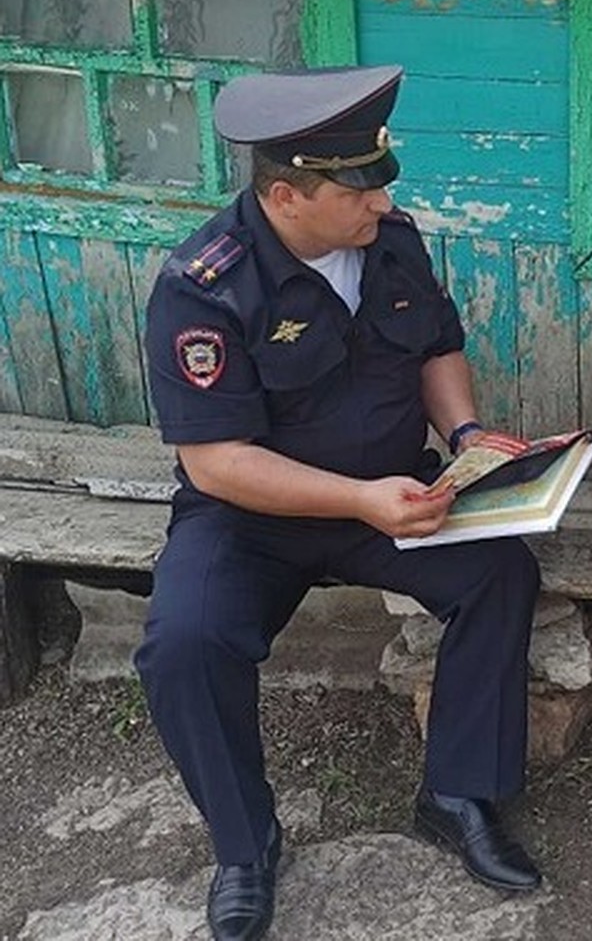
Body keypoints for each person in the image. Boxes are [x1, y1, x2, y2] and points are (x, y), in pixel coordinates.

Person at [135, 65, 542, 941]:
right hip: (254, 519)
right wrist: (360, 500)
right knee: (184, 643)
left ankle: (456, 791)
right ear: (286, 195)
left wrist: (466, 436)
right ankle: (246, 847)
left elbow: (437, 346)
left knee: (500, 570)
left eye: (379, 181)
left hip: (397, 494)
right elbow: (215, 461)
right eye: (357, 191)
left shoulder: (392, 241)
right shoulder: (203, 285)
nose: (379, 204)